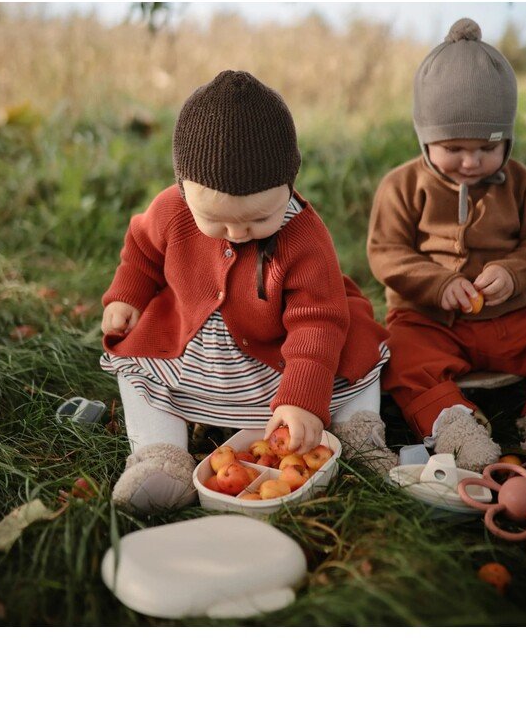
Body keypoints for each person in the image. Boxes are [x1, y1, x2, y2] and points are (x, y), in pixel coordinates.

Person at [101, 70, 395, 514]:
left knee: (355, 359)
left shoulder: (305, 236)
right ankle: (161, 458)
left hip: (282, 351)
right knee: (137, 372)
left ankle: (358, 436)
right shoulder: (171, 209)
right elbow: (141, 250)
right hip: (198, 344)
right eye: (216, 222)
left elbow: (317, 321)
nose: (237, 233)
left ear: (289, 186)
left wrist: (301, 398)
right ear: (184, 188)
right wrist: (127, 294)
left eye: (259, 219)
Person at [367, 18, 526, 471]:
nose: (471, 161)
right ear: (425, 137)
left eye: (488, 146)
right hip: (428, 319)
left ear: (506, 139)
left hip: (512, 316)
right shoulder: (401, 185)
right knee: (397, 352)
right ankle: (456, 428)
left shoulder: (521, 184)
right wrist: (436, 282)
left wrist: (514, 273)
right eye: (453, 147)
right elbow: (386, 251)